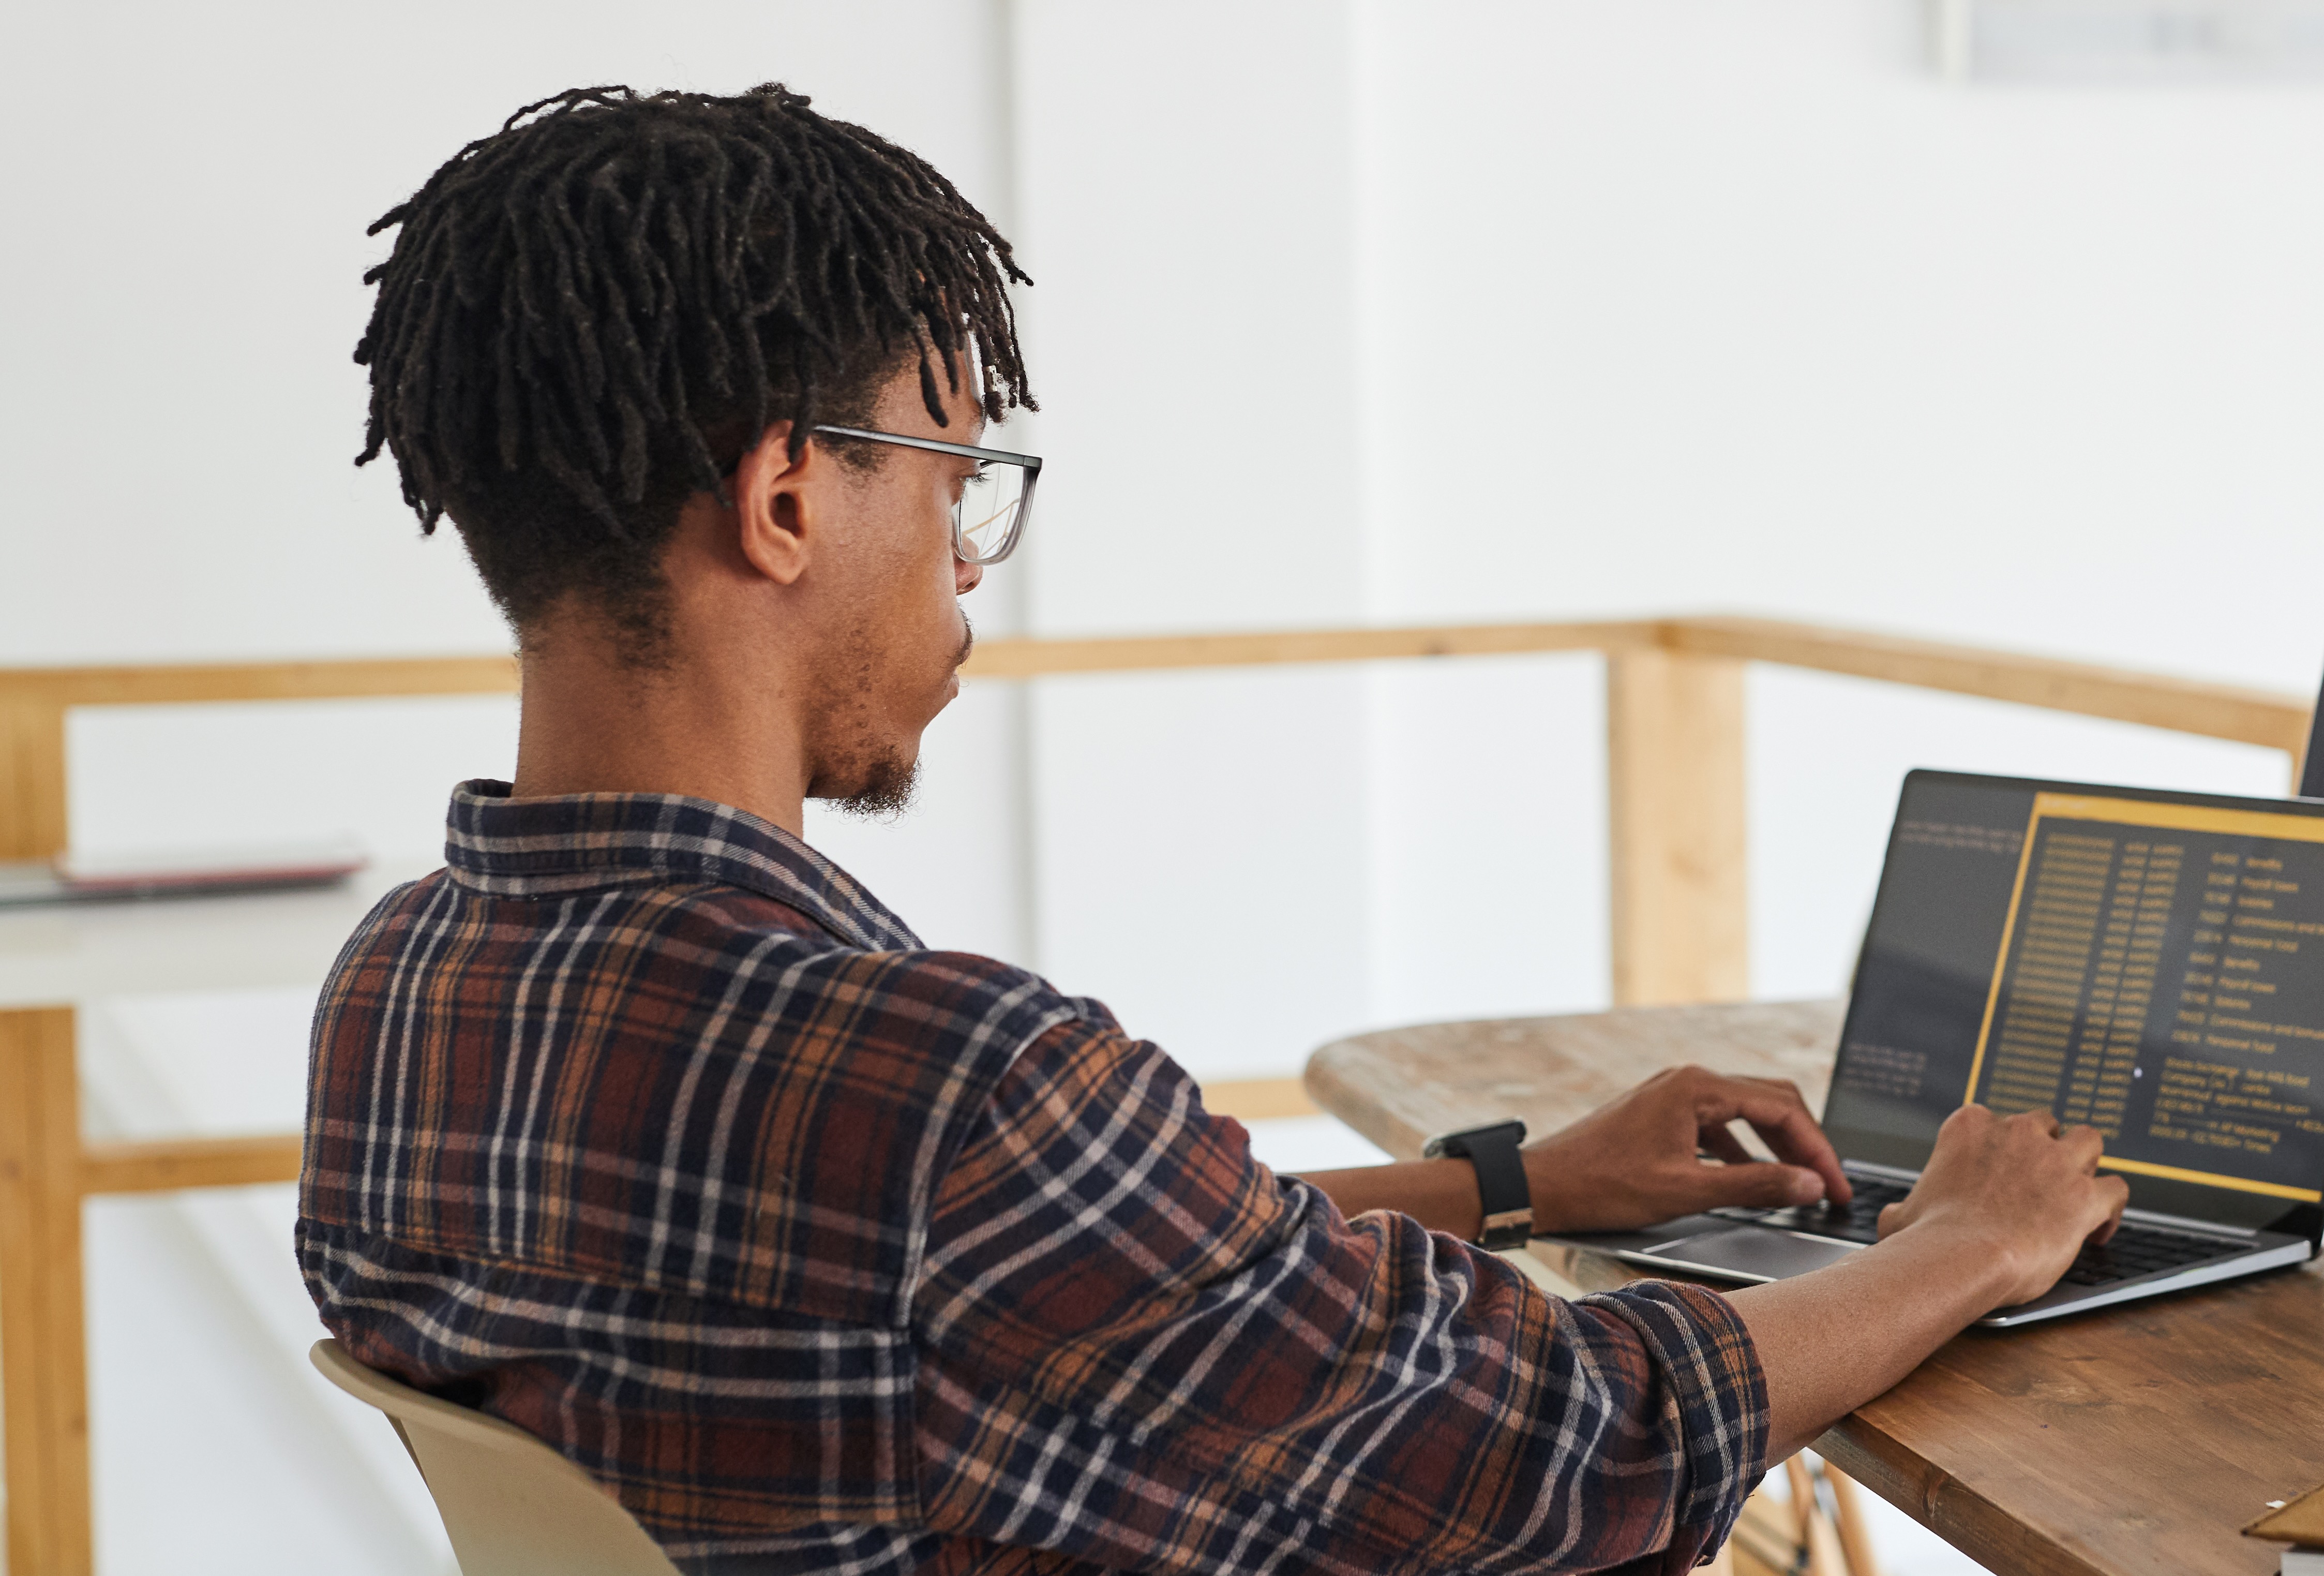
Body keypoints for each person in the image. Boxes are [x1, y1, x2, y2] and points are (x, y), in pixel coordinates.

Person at [305, 83, 2125, 1575]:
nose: (963, 568)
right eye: (958, 485)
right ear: (788, 498)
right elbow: (1577, 1452)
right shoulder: (947, 1082)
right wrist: (1967, 1239)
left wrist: (1516, 1185)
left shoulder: (399, 993)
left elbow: (1029, 1282)